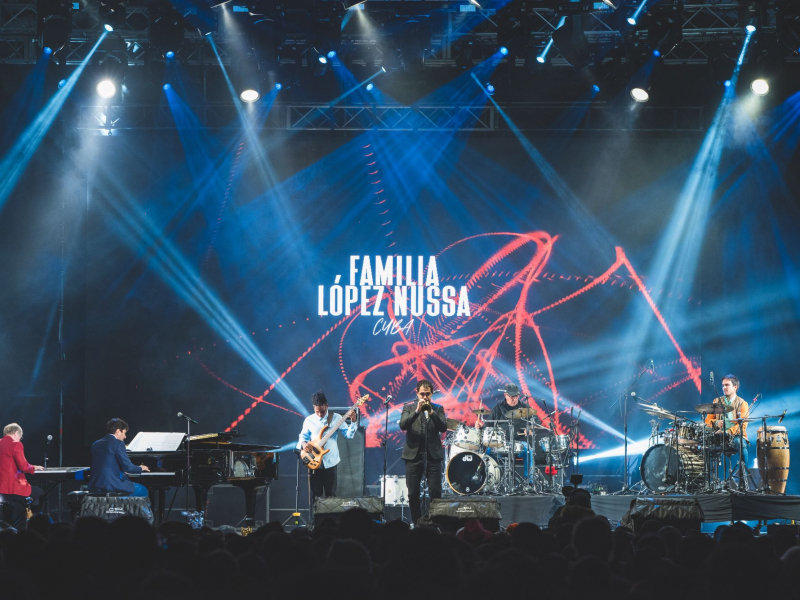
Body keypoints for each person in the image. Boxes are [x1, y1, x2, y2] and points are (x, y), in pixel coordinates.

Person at [400, 379, 448, 525]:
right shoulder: (408, 407)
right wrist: (417, 411)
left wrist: (432, 413)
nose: (425, 397)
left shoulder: (438, 408)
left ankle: (434, 522)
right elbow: (403, 425)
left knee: (435, 492)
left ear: (432, 393)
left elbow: (443, 427)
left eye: (428, 394)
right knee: (413, 493)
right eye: (422, 394)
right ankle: (417, 521)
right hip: (413, 456)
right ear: (417, 393)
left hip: (433, 457)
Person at [297, 391, 358, 502]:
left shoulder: (336, 418)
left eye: (323, 411)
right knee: (316, 497)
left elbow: (349, 436)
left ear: (327, 405)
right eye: (317, 412)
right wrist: (304, 444)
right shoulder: (309, 420)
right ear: (314, 408)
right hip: (314, 462)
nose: (320, 414)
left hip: (331, 461)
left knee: (331, 497)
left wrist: (353, 422)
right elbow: (302, 437)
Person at [478, 383, 534, 480]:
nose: (513, 399)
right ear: (505, 395)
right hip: (500, 443)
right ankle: (488, 480)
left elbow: (534, 421)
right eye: (510, 396)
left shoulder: (525, 407)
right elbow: (489, 425)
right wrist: (480, 427)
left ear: (518, 396)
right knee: (486, 452)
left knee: (528, 450)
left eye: (515, 396)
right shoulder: (498, 407)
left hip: (518, 443)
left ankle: (529, 482)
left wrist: (530, 427)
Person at [704, 374, 749, 483]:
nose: (724, 387)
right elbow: (707, 421)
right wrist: (715, 423)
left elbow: (742, 425)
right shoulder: (716, 401)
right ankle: (708, 481)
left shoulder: (743, 403)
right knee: (704, 446)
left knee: (741, 443)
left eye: (727, 385)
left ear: (735, 387)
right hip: (718, 435)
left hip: (736, 436)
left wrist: (729, 432)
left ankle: (743, 477)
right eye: (723, 385)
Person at [89, 418, 150, 496]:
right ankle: (124, 507)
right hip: (111, 485)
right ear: (118, 431)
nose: (125, 436)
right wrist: (141, 468)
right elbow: (129, 467)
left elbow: (104, 463)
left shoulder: (95, 444)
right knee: (142, 489)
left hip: (95, 485)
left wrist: (121, 469)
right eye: (124, 433)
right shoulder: (118, 443)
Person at [0, 423, 43, 526]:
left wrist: (31, 465)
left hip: (1, 488)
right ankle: (35, 523)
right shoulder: (16, 444)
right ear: (15, 433)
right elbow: (23, 467)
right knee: (39, 493)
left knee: (7, 503)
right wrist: (32, 468)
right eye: (20, 436)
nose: (20, 439)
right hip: (12, 487)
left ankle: (8, 526)